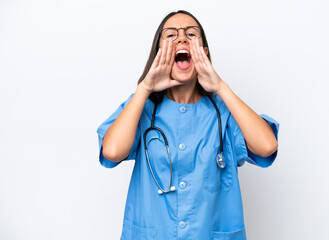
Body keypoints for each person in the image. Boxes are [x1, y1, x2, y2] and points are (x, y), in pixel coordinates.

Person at [96, 10, 279, 240]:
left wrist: (220, 86)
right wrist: (144, 88)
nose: (182, 38)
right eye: (171, 35)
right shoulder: (142, 109)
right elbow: (112, 152)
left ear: (204, 52)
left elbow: (267, 145)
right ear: (159, 52)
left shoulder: (224, 112)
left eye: (191, 34)